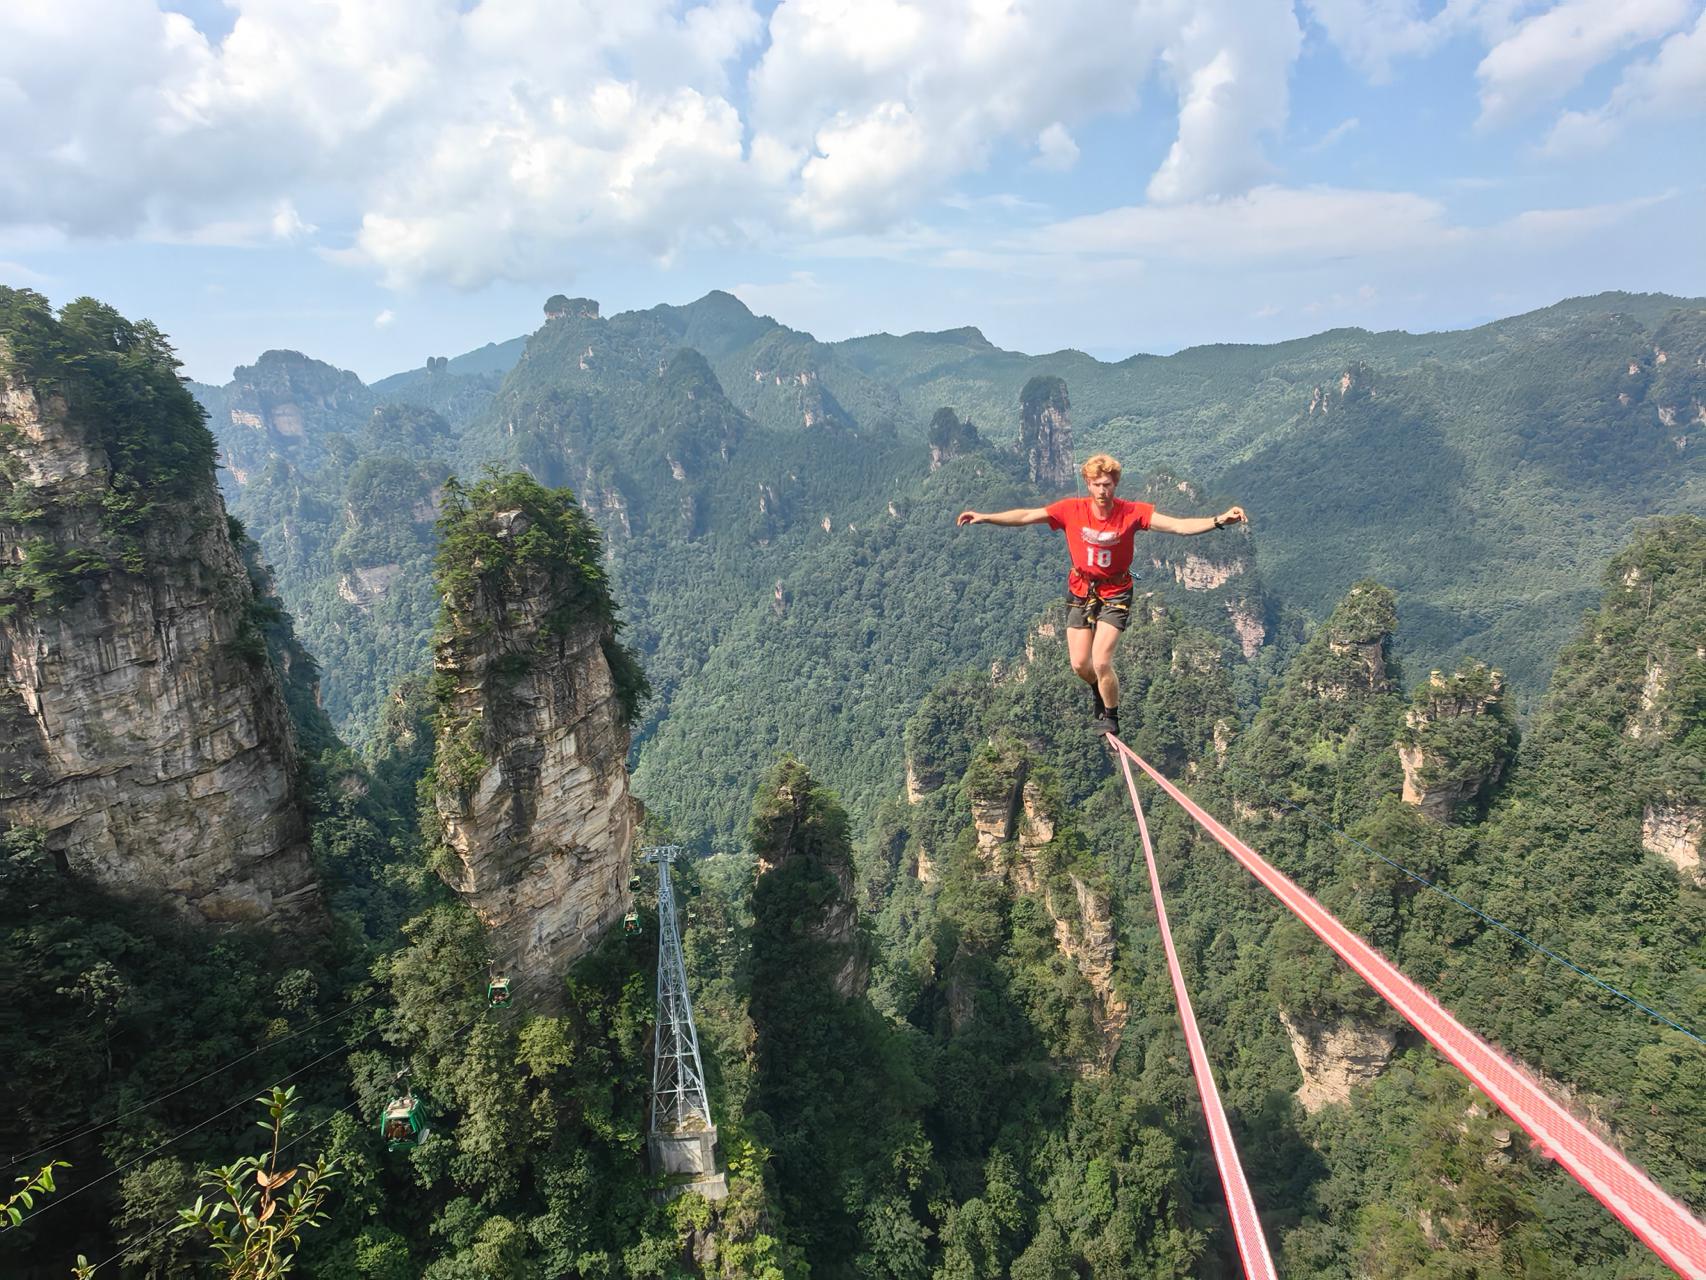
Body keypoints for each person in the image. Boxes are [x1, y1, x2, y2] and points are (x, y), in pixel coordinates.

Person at [956, 454, 1247, 737]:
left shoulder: (1132, 512)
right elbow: (1027, 516)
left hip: (1116, 590)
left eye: (1107, 484)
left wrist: (1219, 520)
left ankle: (1111, 716)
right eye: (1096, 484)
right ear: (1088, 483)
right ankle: (1098, 688)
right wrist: (985, 517)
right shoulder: (1071, 509)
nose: (1102, 490)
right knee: (1080, 665)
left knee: (1102, 661)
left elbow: (1178, 526)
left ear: (1115, 484)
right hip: (1081, 589)